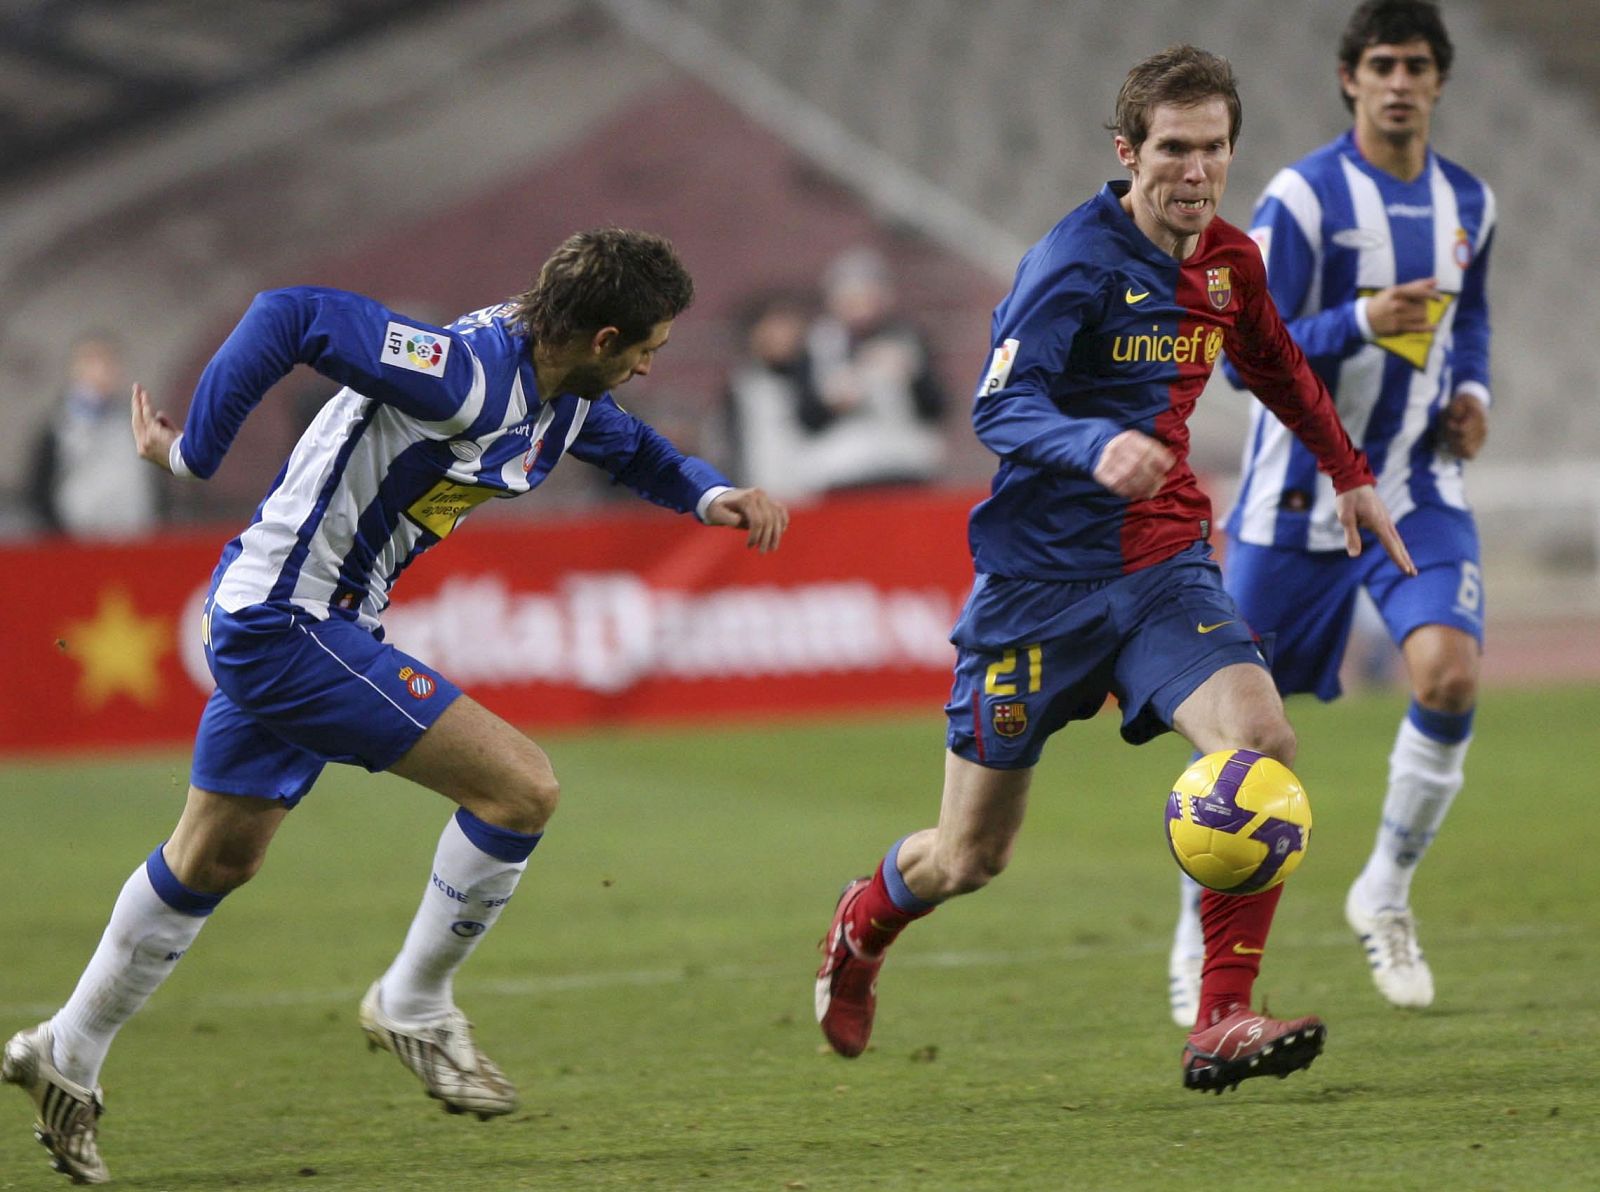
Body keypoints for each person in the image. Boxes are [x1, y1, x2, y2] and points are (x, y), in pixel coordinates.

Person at [2, 228, 788, 1184]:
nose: (651, 363)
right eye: (648, 345)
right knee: (520, 789)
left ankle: (65, 1054)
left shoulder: (564, 396)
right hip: (286, 623)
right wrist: (197, 456)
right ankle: (415, 1002)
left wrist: (712, 497)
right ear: (600, 337)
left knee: (215, 855)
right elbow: (288, 314)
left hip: (312, 620)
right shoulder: (465, 374)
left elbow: (634, 450)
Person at [813, 45, 1416, 1094]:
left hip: (1159, 566)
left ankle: (1219, 1018)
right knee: (968, 858)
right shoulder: (1072, 263)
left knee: (1260, 741)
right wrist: (1090, 445)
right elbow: (997, 405)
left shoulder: (1230, 260)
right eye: (1174, 149)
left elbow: (1273, 364)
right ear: (1128, 153)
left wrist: (1349, 474)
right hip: (1035, 589)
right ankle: (863, 923)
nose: (1195, 171)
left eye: (1214, 148)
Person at [1166, 0, 1492, 1026]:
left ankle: (1383, 891)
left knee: (1447, 670)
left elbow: (1468, 317)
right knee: (1238, 742)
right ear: (1350, 79)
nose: (1398, 81)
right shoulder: (1302, 199)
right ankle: (1195, 925)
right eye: (1380, 64)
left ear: (1438, 81)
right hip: (1296, 497)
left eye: (1416, 65)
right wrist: (1360, 318)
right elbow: (1242, 345)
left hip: (1414, 482)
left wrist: (1474, 393)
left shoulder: (1468, 201)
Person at [800, 246, 950, 492]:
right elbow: (805, 417)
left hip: (905, 466)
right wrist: (832, 400)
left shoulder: (907, 339)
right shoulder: (817, 345)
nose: (859, 308)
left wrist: (911, 375)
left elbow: (936, 407)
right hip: (841, 471)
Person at [26, 331, 163, 538]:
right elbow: (40, 492)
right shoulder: (58, 429)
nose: (103, 371)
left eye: (109, 362)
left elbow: (154, 487)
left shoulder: (134, 425)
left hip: (133, 544)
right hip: (76, 549)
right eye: (93, 361)